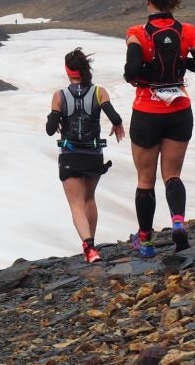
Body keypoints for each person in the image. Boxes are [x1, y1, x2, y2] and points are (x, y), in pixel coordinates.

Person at [124, 0, 195, 256]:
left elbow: (131, 71)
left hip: (147, 112)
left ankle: (146, 241)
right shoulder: (188, 31)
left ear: (147, 1)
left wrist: (145, 74)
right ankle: (177, 223)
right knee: (172, 175)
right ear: (172, 0)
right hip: (179, 111)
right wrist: (182, 63)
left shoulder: (137, 34)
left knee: (145, 179)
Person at [46, 48, 125, 264]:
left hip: (70, 155)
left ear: (67, 70)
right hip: (93, 153)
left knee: (76, 204)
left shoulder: (59, 96)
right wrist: (117, 126)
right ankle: (93, 247)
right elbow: (115, 116)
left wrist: (56, 115)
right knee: (89, 198)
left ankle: (89, 247)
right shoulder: (99, 92)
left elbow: (50, 129)